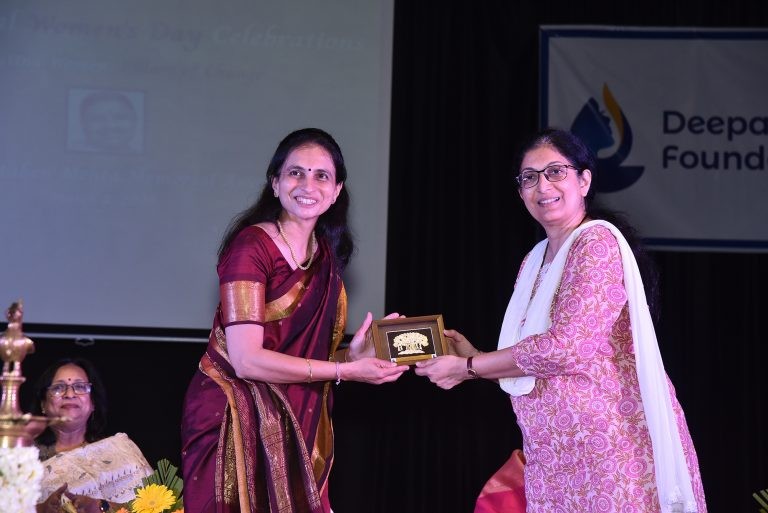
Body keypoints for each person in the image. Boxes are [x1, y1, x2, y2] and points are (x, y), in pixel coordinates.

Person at [415, 128, 707, 512]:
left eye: (555, 172)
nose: (542, 186)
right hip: (553, 458)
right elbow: (534, 364)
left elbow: (565, 349)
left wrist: (469, 367)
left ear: (584, 181)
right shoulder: (535, 260)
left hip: (611, 452)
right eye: (529, 177)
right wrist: (478, 360)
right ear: (520, 192)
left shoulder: (596, 243)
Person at [180, 127, 409, 513]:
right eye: (296, 173)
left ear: (336, 191)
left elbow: (302, 358)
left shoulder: (326, 258)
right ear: (275, 183)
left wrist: (350, 358)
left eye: (322, 176)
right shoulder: (251, 248)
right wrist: (344, 371)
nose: (308, 185)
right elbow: (246, 361)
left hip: (296, 419)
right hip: (233, 416)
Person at [29, 357, 153, 512]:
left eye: (80, 387)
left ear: (93, 403)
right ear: (43, 404)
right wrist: (41, 509)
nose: (70, 394)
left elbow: (157, 506)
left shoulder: (120, 450)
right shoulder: (21, 458)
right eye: (58, 388)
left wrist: (101, 506)